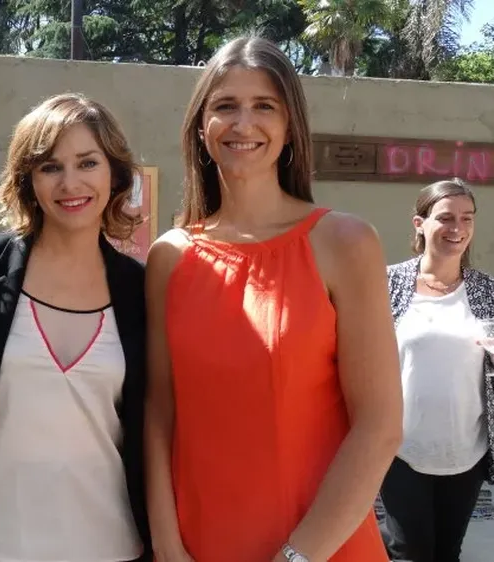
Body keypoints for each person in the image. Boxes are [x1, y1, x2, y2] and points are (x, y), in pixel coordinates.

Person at [144, 36, 402, 562]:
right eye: (225, 106)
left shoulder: (345, 243)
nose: (244, 124)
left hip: (322, 547)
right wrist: (168, 545)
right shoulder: (168, 257)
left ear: (289, 129)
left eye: (264, 106)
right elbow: (159, 414)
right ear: (201, 127)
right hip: (201, 543)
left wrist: (296, 557)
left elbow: (379, 427)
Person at [0, 93, 151, 562]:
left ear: (115, 174)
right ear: (28, 180)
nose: (70, 182)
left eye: (87, 163)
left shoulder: (140, 289)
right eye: (50, 167)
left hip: (108, 543)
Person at [379, 178, 494, 562]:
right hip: (401, 448)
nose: (457, 229)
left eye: (467, 218)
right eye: (446, 218)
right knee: (409, 551)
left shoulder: (491, 292)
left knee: (448, 552)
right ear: (419, 224)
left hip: (466, 450)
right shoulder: (387, 284)